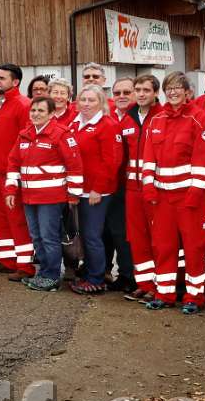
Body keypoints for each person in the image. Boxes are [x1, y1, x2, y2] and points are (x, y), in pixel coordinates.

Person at [140, 71, 205, 313]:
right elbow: (149, 157)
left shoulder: (198, 117)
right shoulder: (157, 119)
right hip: (162, 198)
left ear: (187, 92)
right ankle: (165, 292)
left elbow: (204, 159)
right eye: (168, 88)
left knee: (194, 247)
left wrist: (195, 193)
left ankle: (195, 296)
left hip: (190, 198)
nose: (172, 92)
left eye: (177, 88)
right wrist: (149, 185)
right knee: (163, 246)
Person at [5, 96, 85, 292]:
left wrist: (73, 196)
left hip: (51, 198)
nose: (36, 114)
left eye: (41, 111)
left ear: (51, 114)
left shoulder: (61, 134)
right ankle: (42, 273)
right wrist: (10, 189)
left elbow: (75, 166)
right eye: (33, 110)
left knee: (49, 237)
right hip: (29, 197)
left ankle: (51, 276)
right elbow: (13, 163)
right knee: (36, 236)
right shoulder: (25, 134)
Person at [67, 85, 123, 295]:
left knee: (92, 235)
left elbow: (112, 162)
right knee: (84, 234)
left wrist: (97, 189)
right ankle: (90, 272)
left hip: (96, 192)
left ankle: (96, 278)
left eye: (91, 100)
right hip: (78, 189)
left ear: (101, 102)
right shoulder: (76, 123)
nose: (86, 104)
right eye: (83, 100)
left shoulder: (107, 125)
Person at [0, 64, 32, 277]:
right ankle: (7, 259)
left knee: (16, 219)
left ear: (15, 82)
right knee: (0, 218)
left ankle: (24, 266)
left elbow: (27, 139)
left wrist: (18, 171)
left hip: (11, 172)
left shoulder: (23, 104)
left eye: (2, 78)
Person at [119, 74, 163, 301]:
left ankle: (160, 285)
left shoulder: (163, 116)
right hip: (132, 189)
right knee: (137, 238)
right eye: (138, 90)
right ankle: (144, 283)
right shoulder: (127, 117)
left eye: (146, 89)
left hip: (156, 188)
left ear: (156, 92)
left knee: (158, 239)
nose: (142, 94)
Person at [104, 77, 139, 291]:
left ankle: (128, 275)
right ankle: (111, 273)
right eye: (117, 93)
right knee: (106, 231)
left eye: (127, 92)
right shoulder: (108, 116)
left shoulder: (139, 117)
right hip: (108, 185)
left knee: (124, 233)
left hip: (129, 186)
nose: (122, 96)